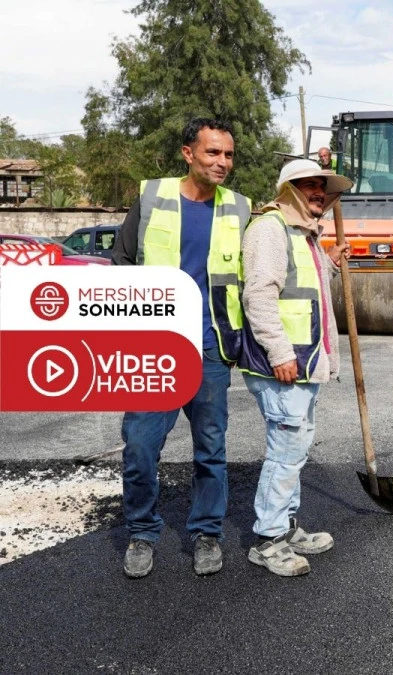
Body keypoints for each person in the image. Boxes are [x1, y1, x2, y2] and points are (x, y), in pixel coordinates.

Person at [111, 118, 252, 579]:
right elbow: (123, 264)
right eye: (213, 153)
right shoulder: (152, 198)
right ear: (187, 153)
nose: (222, 163)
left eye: (228, 154)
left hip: (211, 345)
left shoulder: (241, 209)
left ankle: (207, 532)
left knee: (210, 448)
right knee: (139, 447)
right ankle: (141, 531)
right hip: (156, 345)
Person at [239, 159, 350, 577]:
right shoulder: (269, 229)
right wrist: (280, 353)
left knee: (297, 448)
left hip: (304, 364)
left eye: (322, 187)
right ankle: (268, 540)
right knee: (285, 453)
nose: (318, 193)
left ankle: (286, 526)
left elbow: (305, 287)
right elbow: (260, 296)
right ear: (288, 190)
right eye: (309, 186)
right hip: (282, 365)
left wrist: (330, 260)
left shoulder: (303, 234)